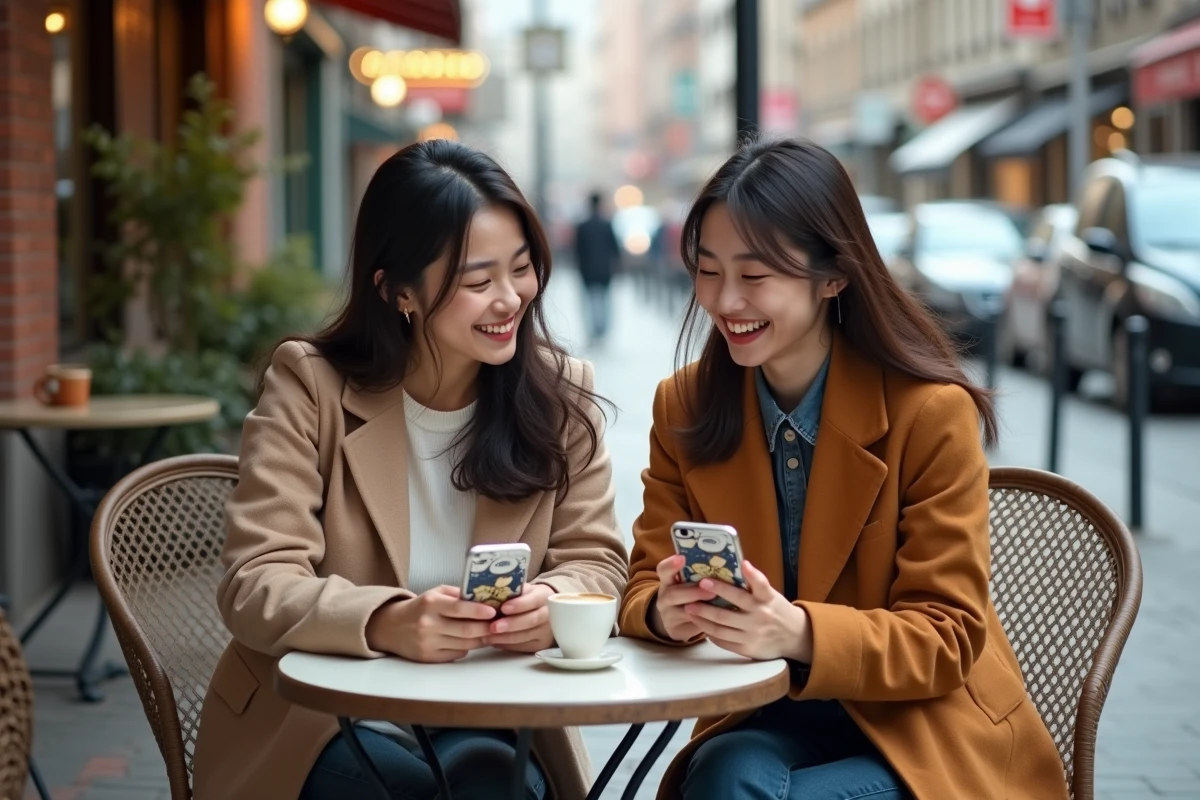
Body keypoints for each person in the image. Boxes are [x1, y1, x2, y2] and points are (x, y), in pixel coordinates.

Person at [619, 137, 1068, 800]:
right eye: (707, 270)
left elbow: (946, 638)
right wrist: (667, 612)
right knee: (721, 773)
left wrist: (794, 630)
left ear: (833, 276)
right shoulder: (685, 405)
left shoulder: (928, 412)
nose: (724, 300)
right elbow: (638, 588)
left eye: (756, 274)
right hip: (767, 714)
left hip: (928, 731)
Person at [192, 140, 628, 800]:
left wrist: (556, 604)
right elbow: (256, 581)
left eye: (522, 268)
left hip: (491, 707)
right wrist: (385, 621)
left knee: (492, 785)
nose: (511, 299)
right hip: (320, 719)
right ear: (397, 290)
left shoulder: (561, 396)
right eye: (478, 282)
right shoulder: (310, 386)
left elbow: (597, 561)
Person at [573, 191, 620, 344]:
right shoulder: (607, 224)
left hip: (587, 270)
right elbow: (615, 249)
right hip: (604, 270)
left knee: (590, 301)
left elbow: (577, 250)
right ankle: (602, 329)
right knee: (604, 300)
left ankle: (593, 330)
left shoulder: (582, 226)